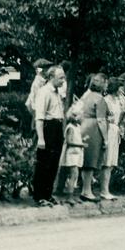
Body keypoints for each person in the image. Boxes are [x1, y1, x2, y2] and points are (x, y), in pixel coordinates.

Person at [32, 65, 67, 207]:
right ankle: (39, 195)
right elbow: (40, 117)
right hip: (48, 128)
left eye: (64, 77)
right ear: (51, 77)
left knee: (53, 163)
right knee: (44, 163)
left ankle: (48, 194)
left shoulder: (57, 92)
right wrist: (41, 138)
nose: (63, 80)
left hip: (57, 127)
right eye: (60, 78)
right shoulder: (44, 92)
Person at [77, 73, 109, 202]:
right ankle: (87, 190)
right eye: (105, 83)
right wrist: (105, 138)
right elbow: (101, 120)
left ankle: (85, 189)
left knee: (86, 159)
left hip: (84, 126)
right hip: (94, 128)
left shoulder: (87, 96)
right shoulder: (100, 99)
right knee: (92, 160)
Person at [100, 77, 125, 200]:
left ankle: (106, 189)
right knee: (106, 161)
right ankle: (103, 190)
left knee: (111, 162)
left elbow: (120, 116)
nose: (122, 90)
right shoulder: (106, 101)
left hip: (115, 131)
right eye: (120, 87)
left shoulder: (118, 101)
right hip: (108, 130)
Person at [61, 105, 86, 203]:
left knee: (76, 175)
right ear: (75, 116)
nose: (82, 118)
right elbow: (69, 141)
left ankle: (74, 196)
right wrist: (81, 144)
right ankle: (69, 197)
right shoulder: (70, 127)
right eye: (80, 116)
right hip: (72, 154)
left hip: (78, 153)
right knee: (73, 174)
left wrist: (82, 140)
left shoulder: (78, 127)